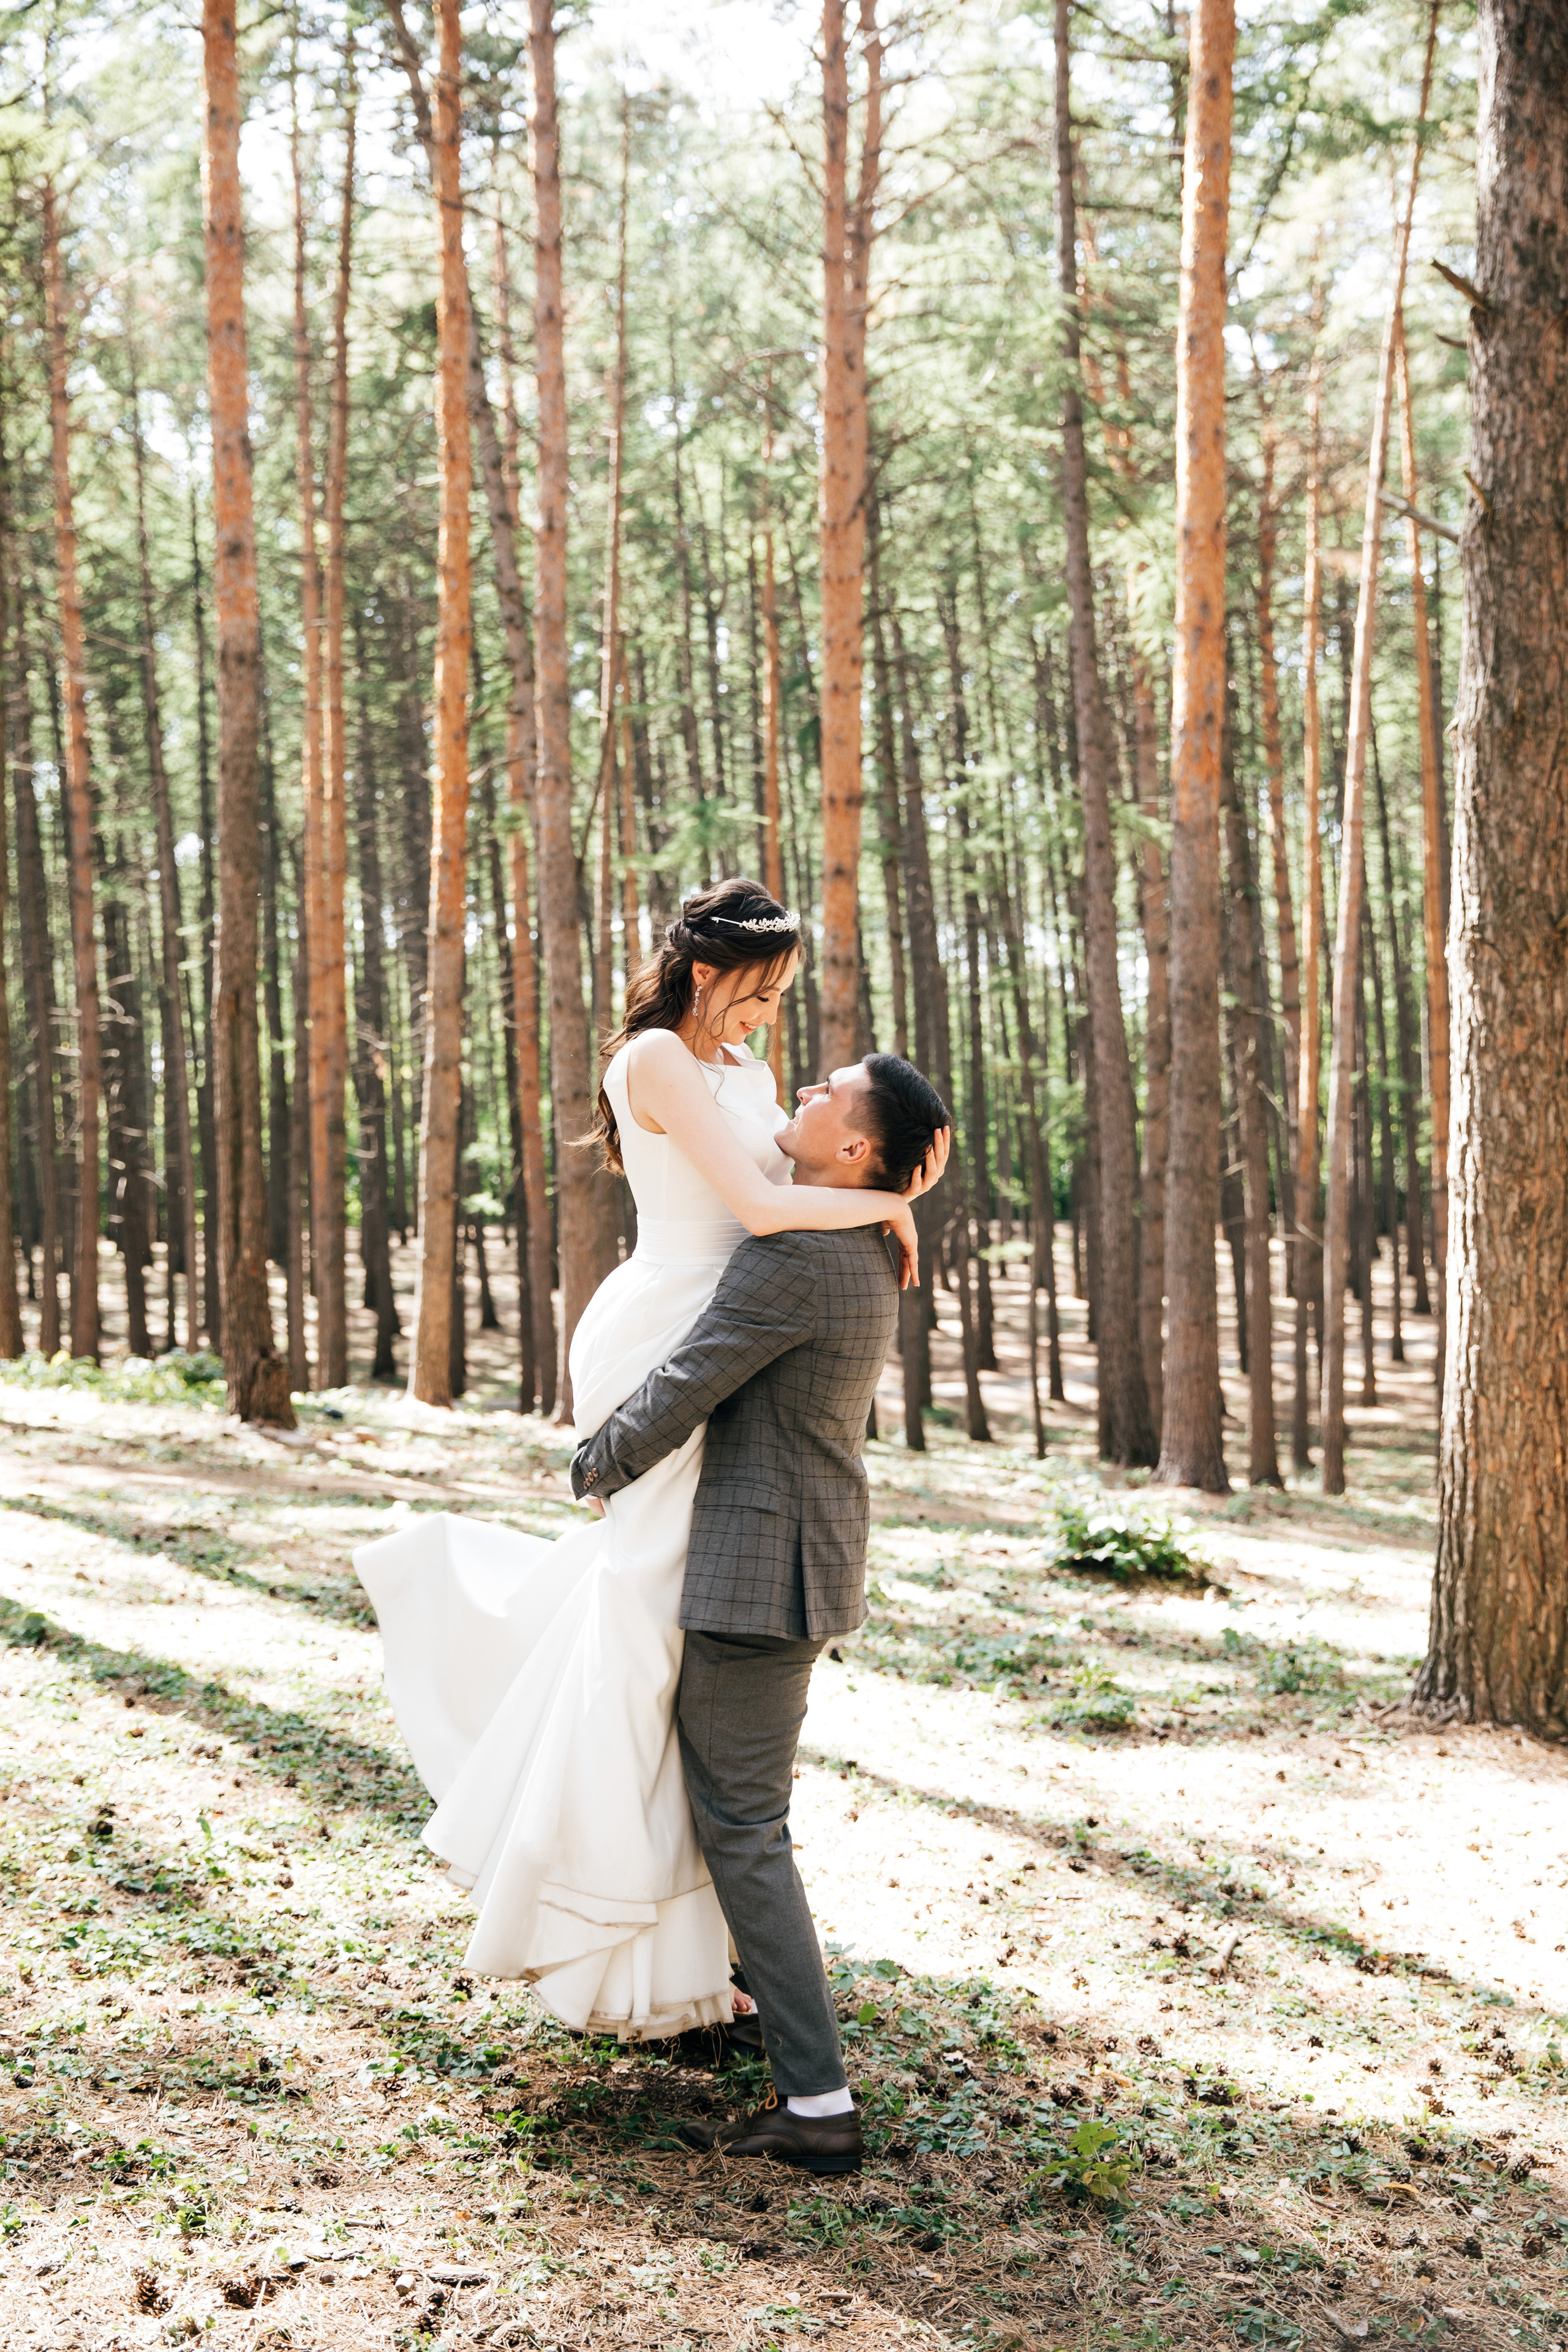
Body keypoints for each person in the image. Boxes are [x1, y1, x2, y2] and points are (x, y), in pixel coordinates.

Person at [353, 878, 948, 2048]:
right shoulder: (654, 1060)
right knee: (642, 1624)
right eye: (759, 992)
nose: (769, 1018)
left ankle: (686, 1948)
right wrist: (895, 1210)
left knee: (676, 1640)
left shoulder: (746, 1066)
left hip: (742, 1309)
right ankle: (605, 1913)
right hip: (671, 1319)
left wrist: (874, 1202)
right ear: (709, 970)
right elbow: (760, 1207)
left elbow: (787, 1190)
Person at [569, 1051, 952, 2177]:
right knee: (733, 1808)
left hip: (759, 1574)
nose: (802, 1094)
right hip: (793, 1557)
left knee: (744, 1825)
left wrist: (600, 1460)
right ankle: (725, 2002)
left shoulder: (803, 1257)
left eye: (826, 1093)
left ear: (855, 1152)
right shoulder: (861, 1239)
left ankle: (819, 2102)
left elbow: (696, 1373)